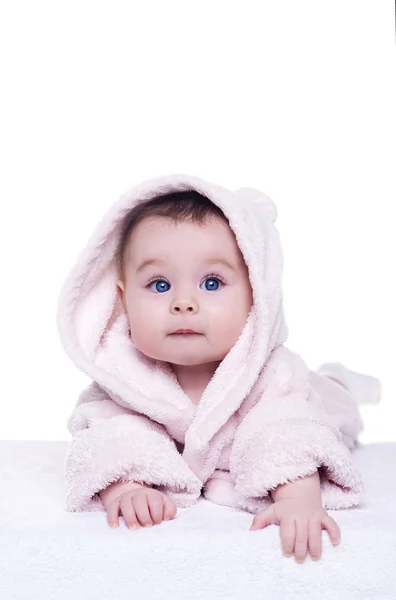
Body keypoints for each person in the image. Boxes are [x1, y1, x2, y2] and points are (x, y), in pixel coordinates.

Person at [56, 174, 381, 563]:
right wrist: (126, 487)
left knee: (334, 407)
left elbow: (287, 429)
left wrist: (297, 498)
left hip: (319, 396)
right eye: (159, 285)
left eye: (212, 282)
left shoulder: (272, 374)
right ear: (122, 301)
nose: (183, 303)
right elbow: (109, 434)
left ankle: (338, 378)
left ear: (255, 295)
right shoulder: (124, 379)